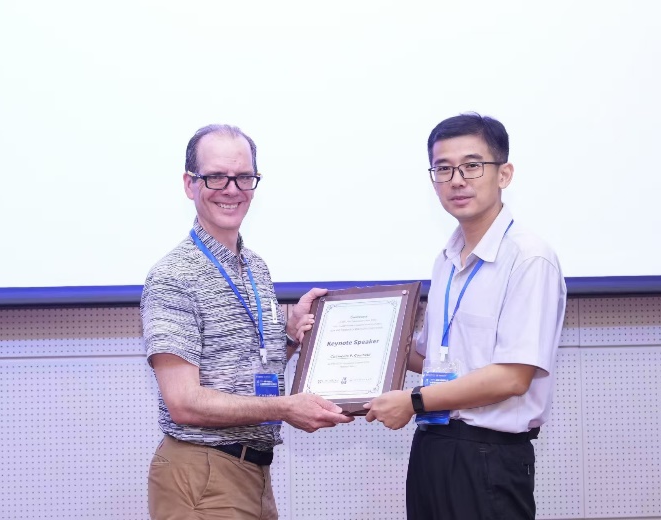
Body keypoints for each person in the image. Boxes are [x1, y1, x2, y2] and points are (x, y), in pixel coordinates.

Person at [140, 124, 353, 520]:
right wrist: (286, 407)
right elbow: (183, 402)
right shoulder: (173, 276)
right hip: (202, 473)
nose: (232, 189)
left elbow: (246, 367)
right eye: (216, 177)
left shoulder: (255, 267)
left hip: (253, 471)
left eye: (243, 177)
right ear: (189, 184)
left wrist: (290, 336)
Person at [364, 113, 567, 519]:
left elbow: (512, 377)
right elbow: (433, 358)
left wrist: (414, 401)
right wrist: (362, 340)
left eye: (472, 165)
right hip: (434, 446)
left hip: (489, 458)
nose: (457, 180)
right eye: (443, 168)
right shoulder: (446, 259)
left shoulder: (529, 258)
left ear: (504, 174)